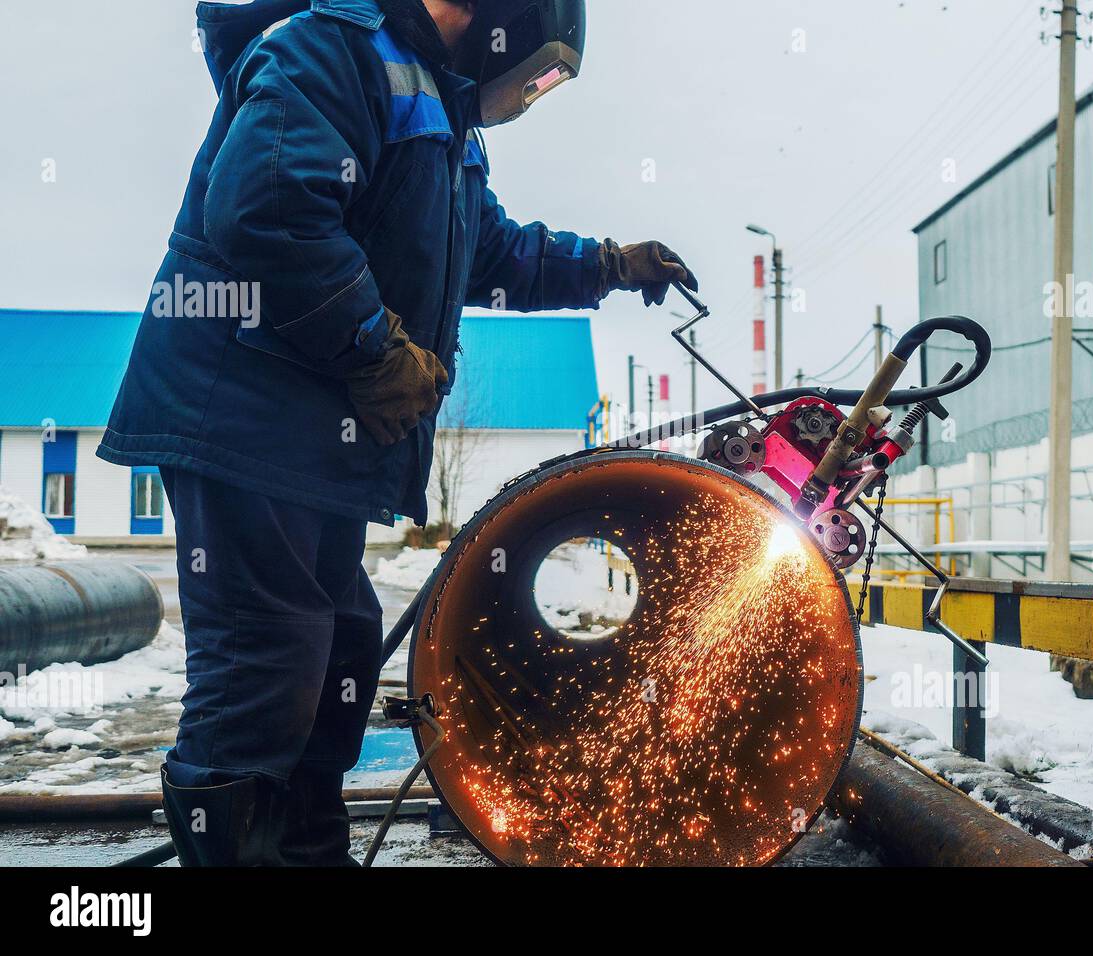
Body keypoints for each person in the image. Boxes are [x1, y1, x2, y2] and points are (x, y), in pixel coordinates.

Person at [97, 0, 696, 866]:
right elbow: (268, 212)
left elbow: (486, 252)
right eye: (540, 72)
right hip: (245, 421)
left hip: (313, 449)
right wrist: (374, 346)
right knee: (264, 674)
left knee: (333, 660)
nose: (530, 92)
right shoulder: (329, 51)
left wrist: (607, 263)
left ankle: (306, 857)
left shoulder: (438, 108)